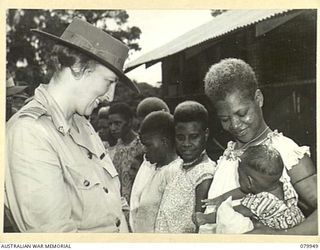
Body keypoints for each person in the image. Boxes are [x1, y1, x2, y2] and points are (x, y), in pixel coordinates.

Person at [5, 17, 140, 232]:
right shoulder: (30, 133)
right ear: (78, 67)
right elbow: (55, 237)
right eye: (109, 81)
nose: (110, 97)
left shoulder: (83, 125)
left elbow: (113, 210)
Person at [201, 58, 317, 235]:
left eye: (242, 113)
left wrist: (280, 237)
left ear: (258, 98)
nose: (235, 125)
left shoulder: (285, 152)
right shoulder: (230, 153)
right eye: (225, 119)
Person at [195, 144, 305, 233]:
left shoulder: (260, 202)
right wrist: (222, 197)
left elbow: (230, 212)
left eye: (239, 175)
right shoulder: (284, 185)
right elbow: (246, 189)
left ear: (250, 181)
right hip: (299, 226)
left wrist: (205, 218)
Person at [155, 101, 216, 233]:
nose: (186, 144)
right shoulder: (178, 167)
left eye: (193, 137)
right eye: (180, 137)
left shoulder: (205, 174)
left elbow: (201, 227)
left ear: (205, 134)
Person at [129, 111, 182, 233]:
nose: (144, 150)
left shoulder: (175, 172)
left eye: (148, 145)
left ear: (164, 142)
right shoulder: (150, 168)